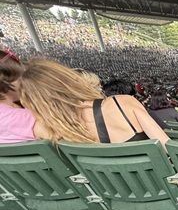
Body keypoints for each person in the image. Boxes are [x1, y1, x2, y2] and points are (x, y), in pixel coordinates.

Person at [20, 58, 169, 145]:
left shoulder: (44, 129)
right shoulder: (122, 103)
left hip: (103, 189)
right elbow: (166, 146)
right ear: (69, 79)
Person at [0, 50, 45, 143]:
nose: (24, 80)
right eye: (21, 76)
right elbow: (61, 132)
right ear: (4, 81)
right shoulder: (20, 118)